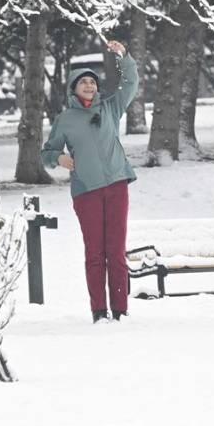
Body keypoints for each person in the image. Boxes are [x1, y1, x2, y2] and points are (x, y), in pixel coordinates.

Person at [41, 40, 139, 323]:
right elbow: (47, 152)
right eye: (83, 82)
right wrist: (58, 159)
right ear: (74, 88)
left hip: (117, 185)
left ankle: (120, 310)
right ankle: (99, 311)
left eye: (92, 82)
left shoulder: (110, 108)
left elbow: (130, 83)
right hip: (86, 192)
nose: (89, 86)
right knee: (95, 253)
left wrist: (123, 56)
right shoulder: (66, 119)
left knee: (116, 252)